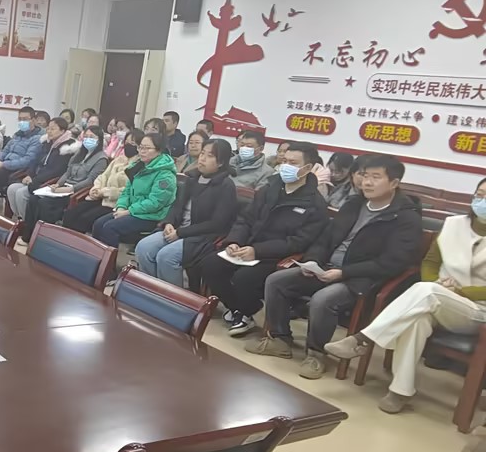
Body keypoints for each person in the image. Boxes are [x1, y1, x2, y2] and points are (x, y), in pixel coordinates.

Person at [325, 179, 486, 448]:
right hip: (435, 297)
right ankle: (401, 391)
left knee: (426, 294)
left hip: (476, 311)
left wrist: (461, 291)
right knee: (418, 318)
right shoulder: (454, 224)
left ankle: (364, 339)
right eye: (479, 194)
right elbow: (430, 262)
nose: (481, 201)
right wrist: (436, 282)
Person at [247, 154, 423, 378]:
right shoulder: (354, 204)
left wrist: (343, 273)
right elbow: (325, 239)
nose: (367, 182)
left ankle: (316, 354)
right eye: (365, 176)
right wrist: (313, 261)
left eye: (376, 177)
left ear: (394, 183)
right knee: (276, 280)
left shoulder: (406, 219)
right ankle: (280, 339)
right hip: (327, 268)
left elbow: (392, 263)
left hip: (361, 279)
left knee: (323, 299)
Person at [199, 142, 328, 337]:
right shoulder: (270, 188)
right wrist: (234, 241)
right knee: (210, 264)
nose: (286, 166)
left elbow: (298, 242)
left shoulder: (315, 204)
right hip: (247, 247)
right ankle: (242, 309)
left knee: (244, 278)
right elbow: (246, 219)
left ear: (307, 168)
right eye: (284, 161)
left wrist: (257, 251)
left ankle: (242, 312)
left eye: (293, 163)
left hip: (275, 256)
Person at [135, 139, 236, 289]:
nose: (202, 159)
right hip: (178, 230)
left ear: (220, 162)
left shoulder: (226, 186)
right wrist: (169, 222)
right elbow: (177, 206)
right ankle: (151, 290)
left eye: (209, 156)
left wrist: (180, 233)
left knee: (166, 256)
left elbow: (217, 223)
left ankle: (173, 298)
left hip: (201, 237)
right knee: (143, 248)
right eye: (202, 153)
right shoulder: (192, 179)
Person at [18, 124, 110, 242]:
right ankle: (28, 236)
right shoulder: (79, 153)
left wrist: (69, 189)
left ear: (99, 140)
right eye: (86, 136)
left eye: (91, 137)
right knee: (33, 199)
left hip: (76, 191)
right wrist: (58, 184)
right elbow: (67, 172)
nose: (88, 139)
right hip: (63, 188)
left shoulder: (101, 158)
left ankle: (43, 239)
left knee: (45, 204)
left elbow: (90, 181)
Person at [91, 130, 177, 247]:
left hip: (151, 216)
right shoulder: (138, 166)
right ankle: (95, 255)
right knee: (98, 224)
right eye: (140, 147)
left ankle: (108, 258)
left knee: (110, 228)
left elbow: (155, 203)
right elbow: (127, 191)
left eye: (147, 148)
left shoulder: (165, 174)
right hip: (132, 210)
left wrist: (128, 211)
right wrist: (121, 207)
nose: (142, 151)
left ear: (159, 150)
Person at [62, 134, 137, 234]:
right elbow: (103, 176)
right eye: (126, 142)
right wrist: (96, 188)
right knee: (71, 213)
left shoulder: (138, 165)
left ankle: (78, 242)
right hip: (100, 197)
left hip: (115, 202)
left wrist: (105, 192)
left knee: (85, 218)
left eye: (132, 143)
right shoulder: (119, 160)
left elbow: (128, 190)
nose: (128, 145)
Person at [5, 117, 72, 222]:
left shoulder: (67, 148)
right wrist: (29, 175)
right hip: (35, 179)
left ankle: (27, 222)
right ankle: (20, 219)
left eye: (53, 129)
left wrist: (35, 179)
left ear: (62, 131)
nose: (49, 131)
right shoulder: (46, 143)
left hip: (47, 182)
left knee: (21, 193)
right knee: (12, 189)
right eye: (48, 128)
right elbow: (35, 161)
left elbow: (56, 171)